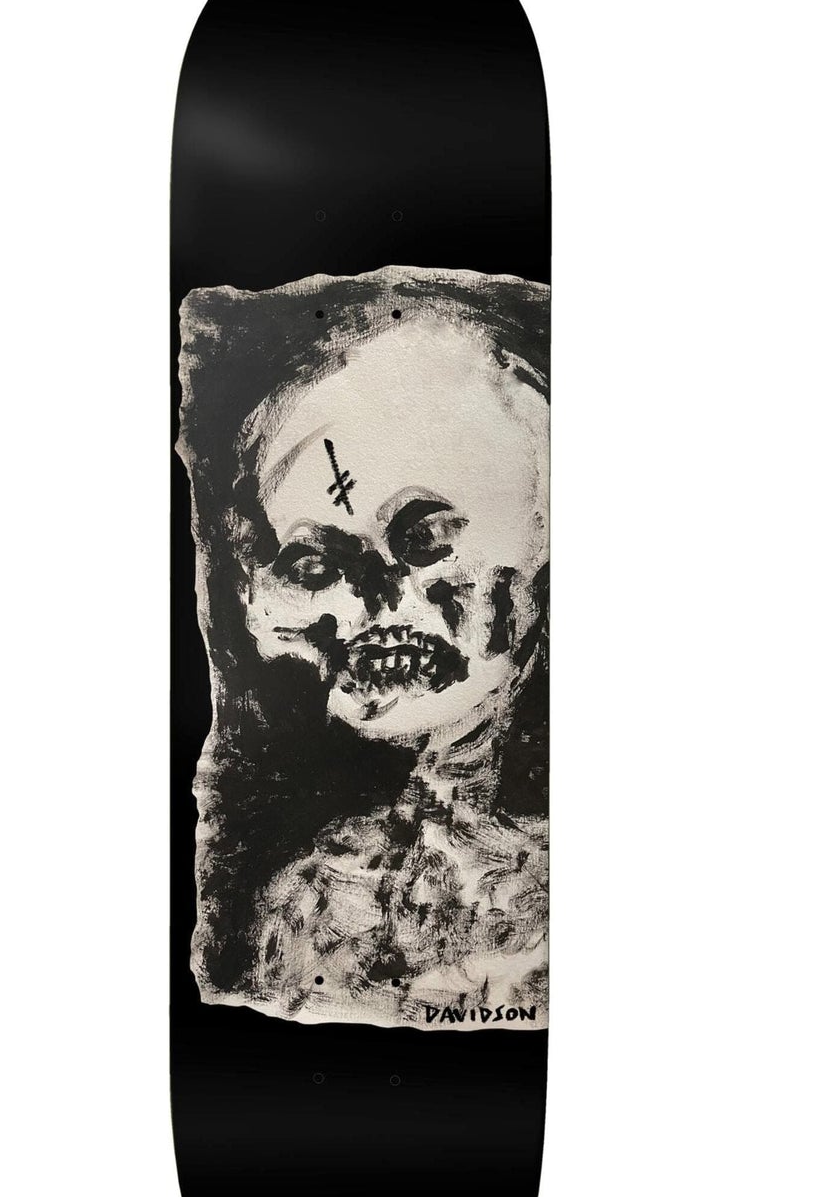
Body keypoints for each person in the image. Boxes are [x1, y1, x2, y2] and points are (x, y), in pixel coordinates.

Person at [178, 266, 549, 1029]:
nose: (370, 602)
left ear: (534, 564)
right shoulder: (308, 904)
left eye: (426, 538)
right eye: (313, 564)